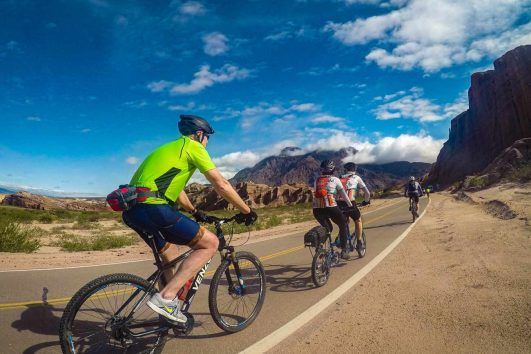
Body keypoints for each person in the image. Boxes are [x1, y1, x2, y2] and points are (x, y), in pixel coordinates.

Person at [122, 114, 257, 323]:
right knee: (210, 243)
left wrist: (194, 211)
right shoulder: (194, 147)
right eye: (208, 139)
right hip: (154, 208)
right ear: (200, 134)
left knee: (169, 256)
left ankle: (165, 314)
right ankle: (166, 299)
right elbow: (220, 183)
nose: (207, 144)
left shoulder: (165, 150)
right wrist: (247, 210)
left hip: (132, 211)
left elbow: (176, 191)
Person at [312, 160, 352, 259]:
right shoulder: (335, 179)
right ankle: (344, 250)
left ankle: (320, 246)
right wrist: (350, 205)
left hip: (317, 210)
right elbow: (344, 195)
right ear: (332, 169)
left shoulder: (316, 180)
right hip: (331, 207)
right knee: (343, 224)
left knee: (328, 228)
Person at [337, 162, 370, 252]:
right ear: (354, 170)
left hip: (339, 203)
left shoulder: (339, 178)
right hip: (350, 203)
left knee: (344, 222)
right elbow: (367, 193)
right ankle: (359, 242)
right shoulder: (356, 177)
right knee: (358, 220)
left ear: (345, 169)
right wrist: (366, 201)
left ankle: (341, 239)